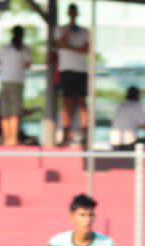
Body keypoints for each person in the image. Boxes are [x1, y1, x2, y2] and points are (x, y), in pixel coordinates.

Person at [54, 4, 91, 147]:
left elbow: (86, 49)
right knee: (66, 103)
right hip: (66, 70)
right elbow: (60, 43)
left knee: (82, 102)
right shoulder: (61, 29)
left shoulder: (84, 31)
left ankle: (85, 134)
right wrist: (69, 29)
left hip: (81, 70)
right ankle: (66, 133)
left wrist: (69, 47)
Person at [0, 25, 32, 147]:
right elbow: (27, 65)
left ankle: (8, 138)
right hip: (17, 81)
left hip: (5, 80)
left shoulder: (5, 48)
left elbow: (1, 63)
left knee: (6, 112)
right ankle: (12, 139)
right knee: (14, 112)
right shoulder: (25, 49)